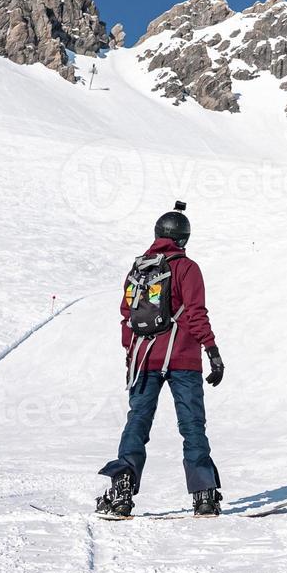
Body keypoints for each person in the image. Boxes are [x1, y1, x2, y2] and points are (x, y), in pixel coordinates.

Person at [97, 202, 226, 518]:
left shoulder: (139, 269)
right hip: (183, 358)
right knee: (191, 424)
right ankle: (204, 495)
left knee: (137, 422)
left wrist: (132, 354)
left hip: (144, 359)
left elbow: (127, 315)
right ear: (183, 238)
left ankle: (121, 491)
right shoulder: (187, 268)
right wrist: (212, 352)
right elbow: (196, 314)